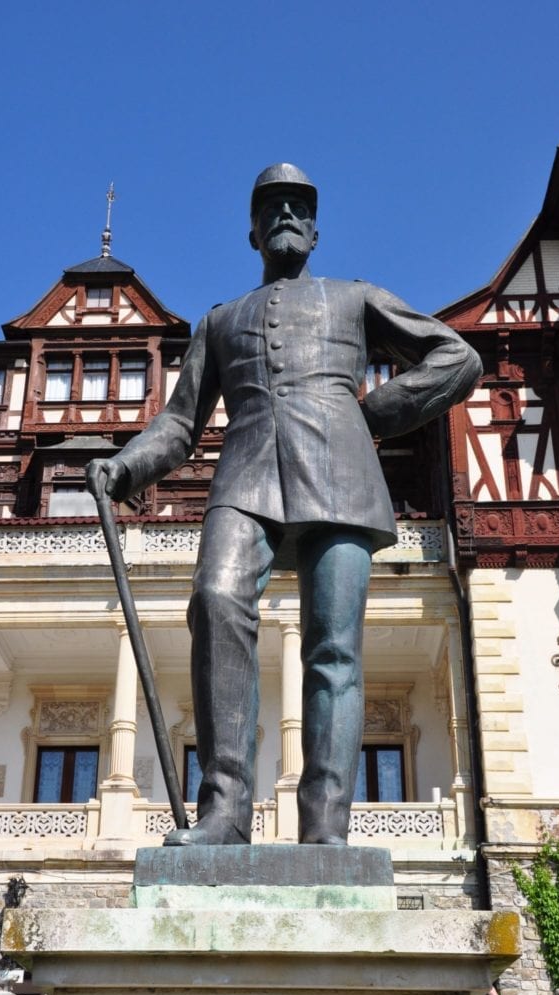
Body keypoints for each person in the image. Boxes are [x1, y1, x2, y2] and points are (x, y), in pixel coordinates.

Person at [87, 164, 482, 847]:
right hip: (243, 481)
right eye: (273, 208)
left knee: (334, 650)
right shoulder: (219, 321)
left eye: (299, 206)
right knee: (214, 601)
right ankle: (224, 813)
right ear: (252, 230)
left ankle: (326, 827)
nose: (287, 216)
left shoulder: (355, 299)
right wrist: (124, 465)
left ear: (318, 229)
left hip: (343, 480)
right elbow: (180, 426)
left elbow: (457, 358)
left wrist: (372, 415)